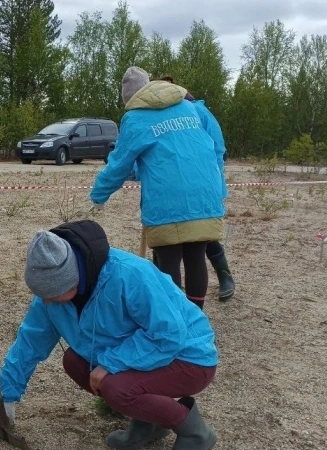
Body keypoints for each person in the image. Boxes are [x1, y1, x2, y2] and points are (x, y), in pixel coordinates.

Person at [0, 220, 219, 450]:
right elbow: (30, 342)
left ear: (72, 280)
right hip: (148, 355)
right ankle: (150, 424)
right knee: (75, 362)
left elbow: (168, 335)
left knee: (116, 387)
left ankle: (194, 432)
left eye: (51, 293)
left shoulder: (129, 274)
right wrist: (7, 397)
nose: (45, 300)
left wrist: (111, 363)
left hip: (189, 358)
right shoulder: (50, 296)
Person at [91, 67, 227, 310]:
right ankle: (195, 321)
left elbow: (119, 163)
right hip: (205, 196)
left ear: (130, 99)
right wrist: (217, 183)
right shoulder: (190, 107)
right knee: (196, 257)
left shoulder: (135, 118)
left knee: (168, 260)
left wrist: (99, 194)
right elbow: (212, 145)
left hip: (167, 201)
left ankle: (175, 321)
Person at [157, 75, 236, 302]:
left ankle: (224, 276)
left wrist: (211, 180)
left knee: (202, 238)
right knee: (167, 241)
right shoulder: (158, 115)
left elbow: (218, 148)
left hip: (204, 185)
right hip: (172, 189)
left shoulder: (198, 112)